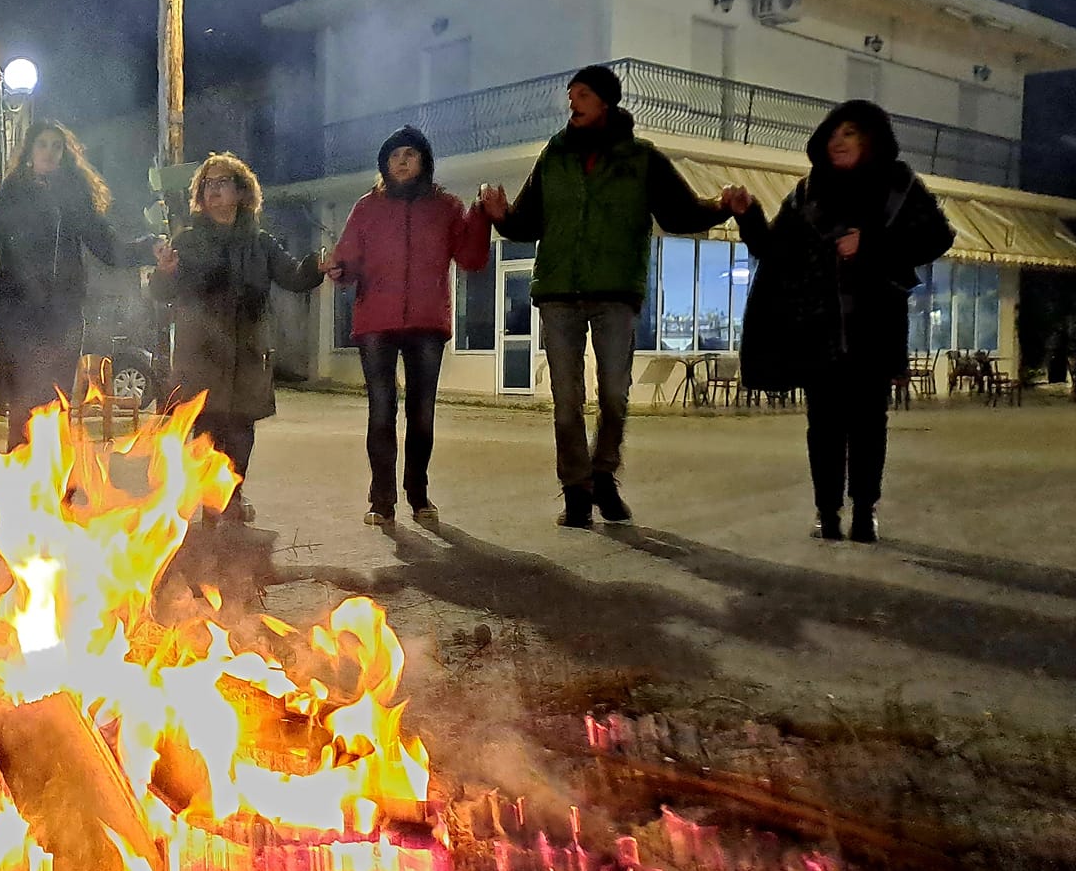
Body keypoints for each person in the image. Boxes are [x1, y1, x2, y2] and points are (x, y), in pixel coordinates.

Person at [480, 64, 735, 528]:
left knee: (615, 394)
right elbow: (528, 223)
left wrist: (720, 208)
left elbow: (678, 213)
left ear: (605, 101)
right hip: (558, 293)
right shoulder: (552, 157)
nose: (572, 101)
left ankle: (604, 475)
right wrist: (501, 215)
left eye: (582, 94)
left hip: (616, 292)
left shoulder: (641, 158)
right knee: (566, 399)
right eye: (570, 94)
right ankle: (576, 490)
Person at [733, 100, 954, 543]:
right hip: (818, 331)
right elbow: (774, 250)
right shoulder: (808, 192)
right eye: (833, 133)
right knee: (825, 425)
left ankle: (864, 511)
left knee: (870, 423)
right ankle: (827, 512)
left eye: (849, 132)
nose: (838, 141)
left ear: (870, 138)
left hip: (875, 328)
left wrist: (870, 244)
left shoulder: (900, 186)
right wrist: (748, 213)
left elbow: (937, 236)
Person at [0, 121, 157, 448]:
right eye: (42, 144)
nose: (50, 152)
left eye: (57, 146)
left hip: (64, 318)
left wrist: (148, 248)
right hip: (19, 318)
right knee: (24, 406)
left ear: (65, 154)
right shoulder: (12, 195)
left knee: (56, 404)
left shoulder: (76, 198)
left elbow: (109, 249)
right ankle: (20, 485)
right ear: (29, 152)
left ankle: (58, 488)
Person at [150, 152, 328, 523]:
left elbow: (293, 277)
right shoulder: (189, 239)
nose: (214, 191)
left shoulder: (260, 243)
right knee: (208, 433)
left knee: (242, 434)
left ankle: (232, 493)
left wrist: (318, 265)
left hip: (247, 353)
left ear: (241, 191)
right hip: (202, 355)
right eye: (208, 184)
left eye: (222, 183)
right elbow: (162, 292)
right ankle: (213, 505)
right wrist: (164, 273)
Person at [329, 124, 491, 526]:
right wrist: (338, 268)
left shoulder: (447, 207)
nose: (401, 161)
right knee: (381, 409)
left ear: (424, 162)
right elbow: (347, 260)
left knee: (422, 412)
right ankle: (381, 498)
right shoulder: (367, 207)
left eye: (410, 155)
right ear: (384, 163)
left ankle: (418, 492)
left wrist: (483, 215)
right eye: (395, 155)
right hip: (376, 323)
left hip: (426, 323)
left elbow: (471, 258)